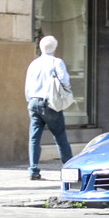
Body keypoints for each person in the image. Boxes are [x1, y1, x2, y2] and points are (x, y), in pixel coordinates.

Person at [25, 35, 73, 180]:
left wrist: (30, 100)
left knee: (34, 138)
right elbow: (64, 79)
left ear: (40, 48)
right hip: (50, 103)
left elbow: (28, 85)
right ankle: (69, 169)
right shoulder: (57, 62)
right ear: (55, 48)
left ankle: (33, 170)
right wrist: (67, 92)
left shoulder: (33, 63)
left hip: (33, 102)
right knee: (60, 136)